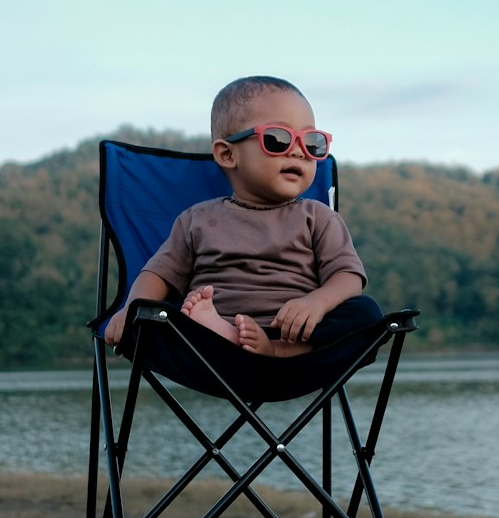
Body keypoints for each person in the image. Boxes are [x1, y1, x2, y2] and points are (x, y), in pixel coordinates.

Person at [102, 76, 382, 356]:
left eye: (313, 143)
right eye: (277, 139)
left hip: (296, 333)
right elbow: (158, 275)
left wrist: (315, 303)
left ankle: (276, 349)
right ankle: (224, 332)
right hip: (213, 343)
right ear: (227, 154)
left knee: (366, 311)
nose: (299, 151)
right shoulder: (196, 219)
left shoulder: (318, 217)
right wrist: (131, 309)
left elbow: (348, 276)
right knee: (161, 314)